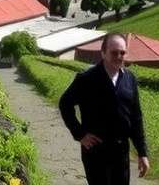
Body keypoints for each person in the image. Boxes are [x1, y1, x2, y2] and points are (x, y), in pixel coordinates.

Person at [59, 33, 149, 185]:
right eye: (114, 52)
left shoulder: (129, 79)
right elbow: (65, 104)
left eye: (122, 52)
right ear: (103, 53)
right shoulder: (86, 79)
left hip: (121, 152)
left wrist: (142, 153)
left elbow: (136, 118)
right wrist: (80, 134)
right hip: (96, 151)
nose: (119, 56)